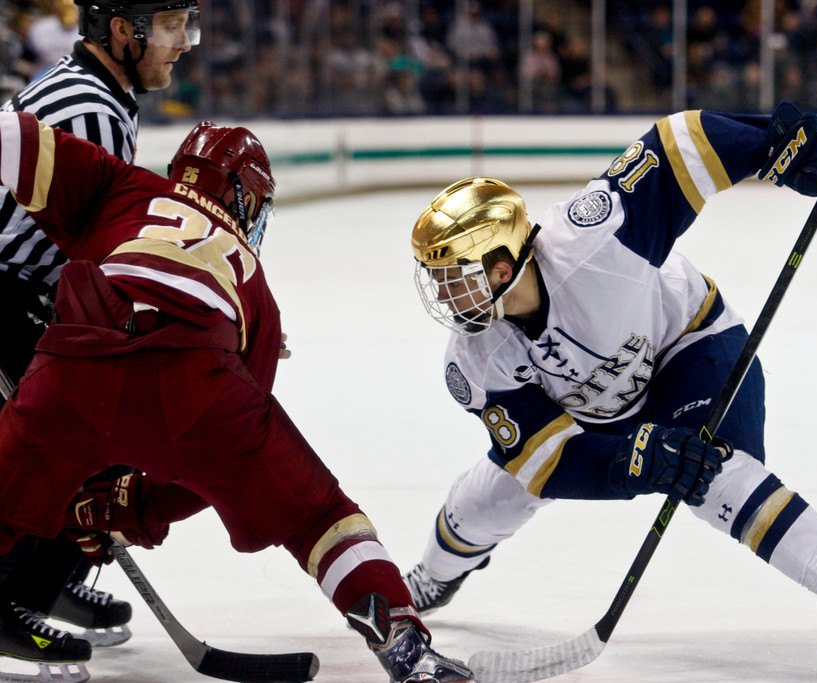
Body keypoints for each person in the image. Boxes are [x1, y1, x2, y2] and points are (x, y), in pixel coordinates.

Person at [403, 102, 817, 682]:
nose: (444, 293)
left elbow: (679, 143)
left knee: (713, 474)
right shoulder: (475, 359)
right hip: (591, 411)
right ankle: (434, 576)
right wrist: (635, 464)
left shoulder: (594, 243)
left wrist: (781, 146)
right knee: (489, 499)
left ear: (503, 266)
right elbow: (543, 457)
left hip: (690, 347)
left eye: (453, 275)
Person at [0, 112, 475, 683]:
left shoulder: (119, 185)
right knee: (321, 519)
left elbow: (12, 135)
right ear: (246, 197)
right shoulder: (257, 290)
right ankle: (405, 647)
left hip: (73, 368)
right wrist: (133, 507)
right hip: (199, 384)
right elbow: (219, 463)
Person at [0, 0, 200, 676]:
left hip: (20, 289)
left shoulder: (97, 90)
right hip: (6, 292)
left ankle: (37, 582)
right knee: (100, 432)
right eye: (172, 27)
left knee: (97, 432)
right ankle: (12, 598)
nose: (185, 43)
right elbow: (95, 257)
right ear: (124, 32)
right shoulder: (89, 107)